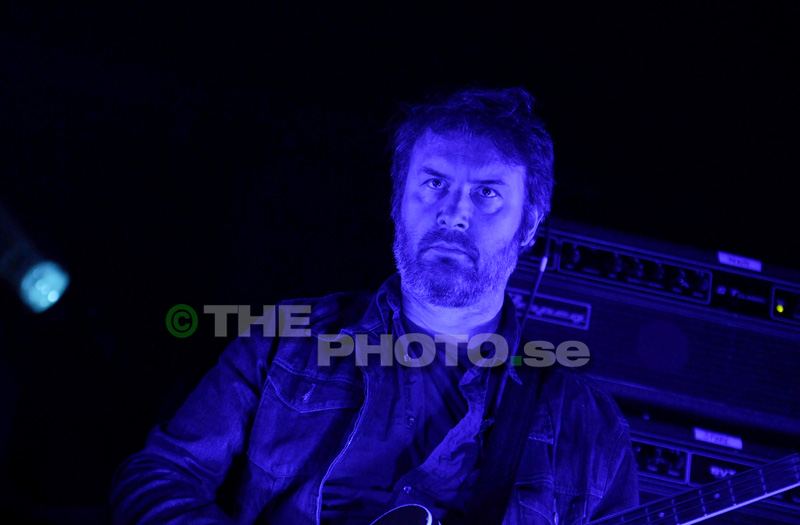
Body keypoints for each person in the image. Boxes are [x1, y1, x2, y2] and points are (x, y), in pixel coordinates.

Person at [110, 87, 639, 524]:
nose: (453, 213)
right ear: (396, 202)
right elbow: (158, 476)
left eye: (487, 194)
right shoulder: (285, 340)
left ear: (528, 227)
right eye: (433, 183)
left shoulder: (588, 425)